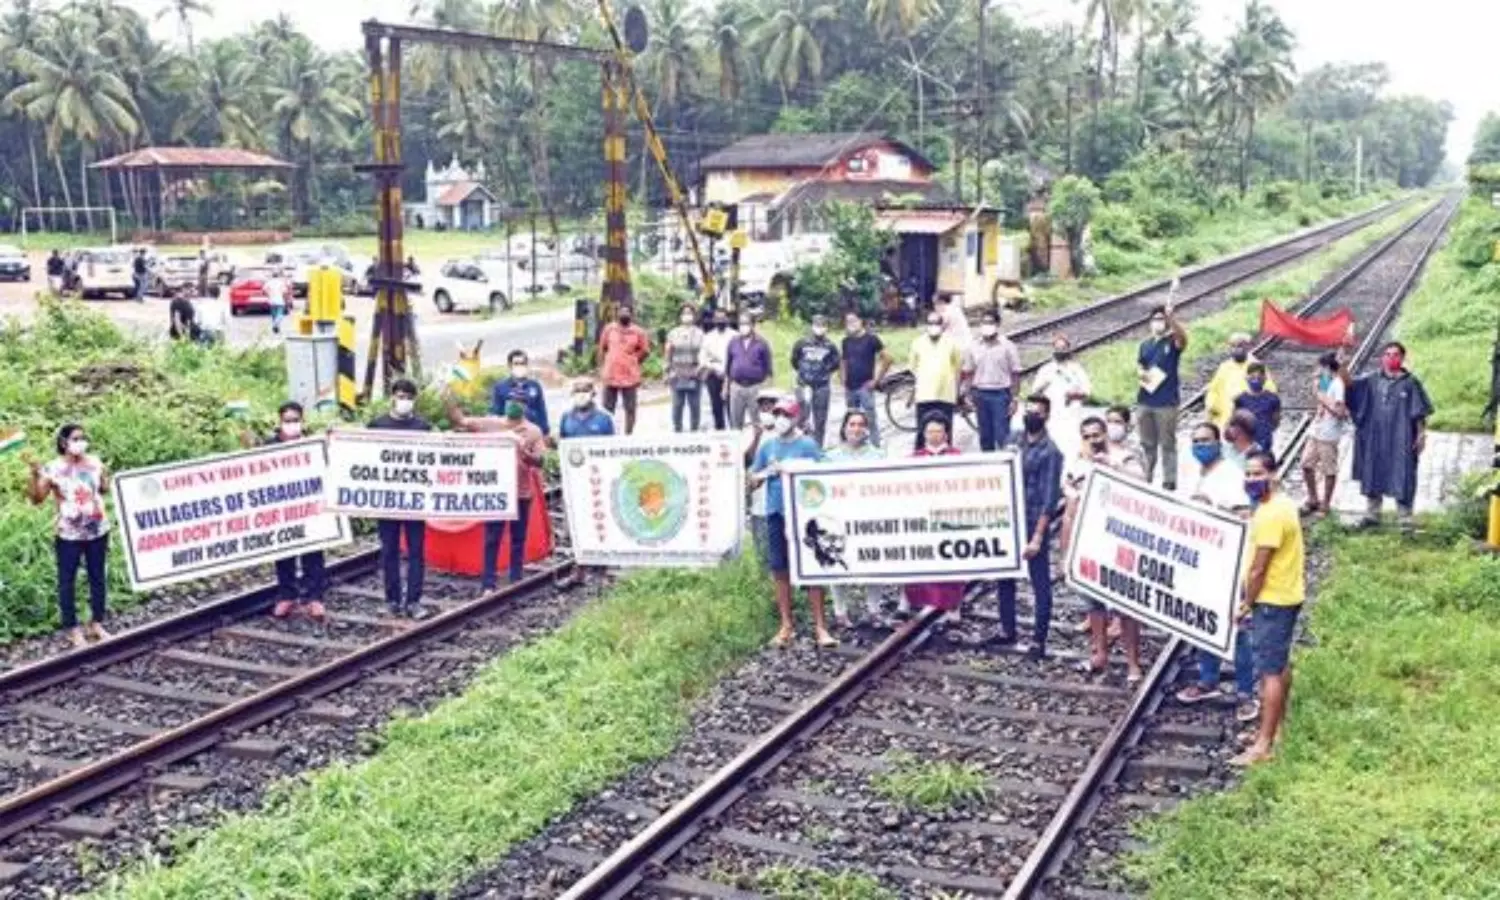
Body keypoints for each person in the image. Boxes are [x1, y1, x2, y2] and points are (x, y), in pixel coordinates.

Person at [1175, 421, 1257, 719]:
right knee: (1201, 622)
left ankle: (1246, 691)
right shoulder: (1191, 474)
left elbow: (1244, 516)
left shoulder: (1231, 476)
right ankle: (1208, 679)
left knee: (1238, 629)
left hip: (1228, 563)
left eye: (1205, 441)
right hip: (1199, 562)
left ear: (1218, 443)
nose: (1200, 446)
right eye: (1195, 441)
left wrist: (1212, 510)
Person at [1231, 450, 1306, 767]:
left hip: (1272, 600)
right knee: (1280, 662)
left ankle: (1263, 745)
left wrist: (1247, 603)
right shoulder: (1280, 505)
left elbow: (1259, 569)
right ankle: (1276, 730)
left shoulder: (1271, 514)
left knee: (1269, 672)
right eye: (1248, 474)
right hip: (1287, 595)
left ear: (1273, 475)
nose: (1251, 480)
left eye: (1258, 474)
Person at [1064, 416, 1147, 681]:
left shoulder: (1124, 457)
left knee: (1125, 606)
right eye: (1087, 436)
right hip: (1090, 541)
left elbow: (1141, 484)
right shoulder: (1077, 463)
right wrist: (1066, 550)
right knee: (1094, 603)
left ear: (1105, 434)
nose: (1093, 440)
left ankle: (1133, 662)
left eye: (1097, 434)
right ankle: (1100, 653)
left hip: (1119, 541)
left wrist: (1110, 466)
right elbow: (1070, 507)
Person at [750, 397, 836, 648]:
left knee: (810, 565)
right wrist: (767, 473)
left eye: (785, 415)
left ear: (796, 418)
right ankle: (786, 624)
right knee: (780, 567)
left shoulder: (807, 445)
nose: (780, 420)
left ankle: (820, 625)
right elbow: (752, 478)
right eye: (777, 414)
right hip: (776, 511)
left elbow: (826, 472)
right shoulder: (768, 446)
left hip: (803, 513)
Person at [444, 388, 547, 591]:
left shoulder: (533, 431)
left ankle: (516, 578)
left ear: (525, 407)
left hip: (521, 491)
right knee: (492, 537)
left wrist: (527, 454)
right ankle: (488, 582)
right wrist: (450, 399)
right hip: (496, 492)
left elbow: (541, 460)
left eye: (517, 401)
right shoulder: (491, 424)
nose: (513, 404)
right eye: (510, 400)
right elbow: (461, 421)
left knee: (518, 538)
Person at [24, 424, 112, 649]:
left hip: (97, 529)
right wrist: (34, 475)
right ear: (64, 442)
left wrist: (104, 477)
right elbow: (37, 498)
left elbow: (103, 489)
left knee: (97, 576)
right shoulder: (53, 468)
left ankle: (96, 622)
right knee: (67, 581)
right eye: (75, 438)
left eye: (83, 438)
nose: (80, 442)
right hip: (69, 533)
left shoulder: (94, 462)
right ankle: (72, 628)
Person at [994, 394, 1064, 660]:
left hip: (1034, 520)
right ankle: (1007, 628)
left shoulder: (1051, 452)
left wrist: (1037, 537)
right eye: (1028, 410)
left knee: (1039, 581)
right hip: (1009, 518)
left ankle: (1038, 639)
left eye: (1037, 411)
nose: (1031, 415)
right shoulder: (1013, 439)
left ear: (1046, 416)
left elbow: (1049, 499)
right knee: (1005, 576)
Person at [243, 402, 327, 621]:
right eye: (288, 421)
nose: (292, 425)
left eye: (295, 420)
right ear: (280, 422)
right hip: (281, 512)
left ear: (302, 421)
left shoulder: (313, 445)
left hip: (310, 509)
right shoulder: (270, 446)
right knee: (284, 554)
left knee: (314, 554)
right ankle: (287, 595)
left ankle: (315, 598)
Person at [1343, 340, 1432, 532]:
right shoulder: (1372, 380)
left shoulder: (1410, 383)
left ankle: (1405, 518)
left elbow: (1419, 412)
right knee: (1373, 469)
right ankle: (1372, 514)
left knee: (1404, 472)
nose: (1391, 358)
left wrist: (1421, 434)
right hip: (1376, 437)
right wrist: (1342, 366)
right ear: (1382, 358)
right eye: (1388, 354)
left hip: (1402, 437)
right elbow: (1349, 385)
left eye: (1396, 355)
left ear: (1402, 358)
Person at [369, 379, 433, 620]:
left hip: (415, 501)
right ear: (392, 397)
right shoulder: (377, 426)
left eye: (408, 396)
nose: (403, 400)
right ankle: (392, 600)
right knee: (389, 552)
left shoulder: (422, 428)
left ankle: (414, 601)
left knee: (416, 551)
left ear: (413, 400)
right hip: (386, 501)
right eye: (400, 395)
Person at [903, 414, 967, 624]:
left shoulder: (957, 457)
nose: (934, 435)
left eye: (938, 431)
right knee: (922, 561)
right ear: (924, 434)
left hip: (949, 517)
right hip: (922, 517)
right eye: (930, 431)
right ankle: (921, 601)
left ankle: (953, 605)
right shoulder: (915, 458)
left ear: (946, 433)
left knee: (951, 562)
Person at [824, 409, 885, 627]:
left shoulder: (878, 455)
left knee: (873, 562)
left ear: (866, 429)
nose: (856, 429)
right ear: (844, 428)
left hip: (868, 517)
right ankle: (840, 611)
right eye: (852, 424)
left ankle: (874, 609)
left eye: (860, 424)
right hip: (840, 517)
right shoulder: (830, 457)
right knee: (839, 562)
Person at [1136, 304, 1188, 490]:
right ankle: (1145, 475)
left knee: (1167, 443)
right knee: (1146, 443)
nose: (1158, 323)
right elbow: (1140, 365)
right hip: (1145, 399)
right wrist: (1141, 373)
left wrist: (1172, 318)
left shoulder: (1172, 342)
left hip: (1166, 401)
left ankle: (1169, 480)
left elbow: (1182, 339)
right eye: (1155, 319)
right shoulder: (1145, 345)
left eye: (1161, 319)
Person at [961, 309, 1022, 452]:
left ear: (997, 324)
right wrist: (966, 394)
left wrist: (1014, 398)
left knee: (1002, 435)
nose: (987, 325)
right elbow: (969, 372)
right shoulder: (974, 346)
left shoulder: (1008, 346)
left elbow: (1016, 374)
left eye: (990, 322)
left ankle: (1006, 467)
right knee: (985, 435)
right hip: (980, 394)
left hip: (1001, 395)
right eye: (984, 322)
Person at [1298, 352, 1348, 518]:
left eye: (1320, 368)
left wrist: (1320, 397)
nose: (1317, 372)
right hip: (1316, 431)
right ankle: (1313, 498)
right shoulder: (1325, 385)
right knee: (1306, 464)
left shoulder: (1338, 384)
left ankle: (1325, 504)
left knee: (1329, 469)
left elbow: (1340, 412)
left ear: (1327, 368)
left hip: (1329, 434)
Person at [1029, 333, 1092, 461]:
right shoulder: (1046, 369)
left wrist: (1075, 394)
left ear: (1068, 349)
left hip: (1072, 413)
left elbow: (1087, 391)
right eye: (1058, 348)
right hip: (1052, 414)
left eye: (1063, 348)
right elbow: (1034, 391)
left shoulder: (1076, 369)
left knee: (1072, 444)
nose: (1060, 351)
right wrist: (1045, 383)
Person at [908, 310, 963, 452]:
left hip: (946, 395)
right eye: (930, 323)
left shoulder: (952, 343)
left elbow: (957, 368)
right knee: (922, 431)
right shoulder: (917, 343)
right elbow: (913, 368)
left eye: (937, 323)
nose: (934, 326)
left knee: (945, 432)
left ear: (942, 325)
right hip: (924, 396)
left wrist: (957, 393)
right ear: (926, 325)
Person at [840, 312, 891, 448]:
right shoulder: (846, 341)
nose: (851, 324)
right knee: (851, 420)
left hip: (865, 387)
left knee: (870, 420)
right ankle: (853, 447)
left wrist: (876, 380)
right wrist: (843, 378)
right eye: (848, 321)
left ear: (860, 321)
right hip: (850, 388)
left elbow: (887, 358)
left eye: (853, 320)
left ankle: (875, 448)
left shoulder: (871, 339)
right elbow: (844, 360)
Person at [598, 307, 651, 435]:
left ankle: (628, 436)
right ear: (617, 314)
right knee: (607, 409)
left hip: (630, 376)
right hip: (611, 375)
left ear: (631, 315)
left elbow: (645, 351)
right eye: (621, 312)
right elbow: (602, 349)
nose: (624, 314)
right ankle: (608, 434)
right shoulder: (609, 329)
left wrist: (633, 360)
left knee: (630, 408)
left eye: (627, 312)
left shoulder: (639, 332)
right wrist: (602, 367)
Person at [1205, 334, 1276, 429]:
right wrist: (1211, 411)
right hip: (1226, 420)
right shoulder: (1225, 367)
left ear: (1248, 346)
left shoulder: (1257, 367)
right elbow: (1214, 391)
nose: (1237, 349)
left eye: (1240, 345)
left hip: (1250, 421)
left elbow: (1270, 391)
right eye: (1233, 346)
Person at [790, 314, 841, 446]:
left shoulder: (830, 346)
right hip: (803, 384)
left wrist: (824, 371)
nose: (820, 328)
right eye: (817, 325)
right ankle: (799, 445)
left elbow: (836, 363)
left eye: (823, 325)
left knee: (820, 419)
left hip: (822, 386)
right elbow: (794, 361)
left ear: (827, 328)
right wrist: (804, 372)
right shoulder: (801, 343)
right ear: (812, 326)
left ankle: (817, 447)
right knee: (801, 416)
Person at [743, 389, 781, 564]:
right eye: (763, 404)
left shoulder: (787, 431)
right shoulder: (751, 431)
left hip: (780, 497)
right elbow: (746, 459)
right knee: (761, 541)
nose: (767, 408)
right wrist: (757, 437)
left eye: (771, 403)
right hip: (759, 495)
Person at [726, 314, 773, 429]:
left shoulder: (762, 343)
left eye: (746, 323)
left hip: (755, 387)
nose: (743, 327)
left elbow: (768, 367)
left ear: (753, 325)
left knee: (757, 422)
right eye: (741, 324)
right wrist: (726, 386)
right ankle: (738, 446)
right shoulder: (733, 341)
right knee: (735, 422)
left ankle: (757, 445)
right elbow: (728, 365)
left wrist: (766, 390)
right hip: (736, 387)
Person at [489, 349, 550, 437]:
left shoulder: (535, 386)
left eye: (523, 363)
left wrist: (545, 433)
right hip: (510, 434)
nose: (520, 366)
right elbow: (496, 413)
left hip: (532, 433)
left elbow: (541, 411)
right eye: (516, 364)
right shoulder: (500, 387)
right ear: (510, 366)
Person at [665, 304, 706, 433]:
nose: (687, 315)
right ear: (680, 316)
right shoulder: (673, 333)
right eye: (684, 313)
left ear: (694, 316)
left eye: (690, 313)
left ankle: (694, 432)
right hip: (677, 374)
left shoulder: (700, 333)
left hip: (695, 374)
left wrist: (700, 369)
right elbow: (668, 353)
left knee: (695, 406)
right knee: (677, 405)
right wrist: (667, 372)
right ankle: (678, 431)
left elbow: (704, 353)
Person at [1232, 361, 1281, 454]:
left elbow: (1276, 421)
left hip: (1264, 442)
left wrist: (1265, 432)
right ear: (1246, 378)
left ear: (1264, 379)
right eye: (1252, 377)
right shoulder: (1239, 399)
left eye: (1259, 377)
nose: (1255, 380)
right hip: (1245, 443)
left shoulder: (1273, 399)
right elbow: (1234, 422)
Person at [701, 310, 733, 430]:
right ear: (714, 320)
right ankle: (720, 432)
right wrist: (713, 367)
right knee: (716, 407)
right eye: (718, 318)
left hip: (731, 376)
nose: (720, 321)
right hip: (713, 375)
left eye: (723, 318)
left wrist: (726, 371)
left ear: (727, 319)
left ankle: (734, 433)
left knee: (732, 407)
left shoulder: (734, 336)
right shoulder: (708, 337)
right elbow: (703, 357)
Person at [265, 267, 289, 335]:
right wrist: (284, 297)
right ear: (278, 276)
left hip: (272, 300)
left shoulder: (269, 282)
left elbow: (264, 289)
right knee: (280, 314)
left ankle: (276, 328)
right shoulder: (281, 282)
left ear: (272, 276)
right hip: (280, 300)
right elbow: (285, 291)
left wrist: (269, 294)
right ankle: (275, 325)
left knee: (274, 315)